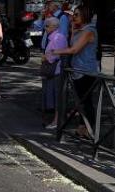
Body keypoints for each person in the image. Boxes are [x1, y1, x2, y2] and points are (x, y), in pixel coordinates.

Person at [48, 6, 98, 139]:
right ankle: (82, 127)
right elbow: (71, 43)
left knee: (86, 102)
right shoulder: (79, 30)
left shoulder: (89, 31)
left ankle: (89, 129)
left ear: (85, 16)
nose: (73, 17)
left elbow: (74, 49)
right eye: (73, 15)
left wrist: (55, 52)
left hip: (87, 71)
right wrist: (73, 28)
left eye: (76, 15)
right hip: (77, 70)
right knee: (80, 101)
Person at [41, 17, 66, 129]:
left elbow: (55, 55)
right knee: (52, 95)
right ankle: (55, 120)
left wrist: (45, 58)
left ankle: (57, 121)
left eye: (47, 25)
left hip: (57, 70)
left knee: (57, 96)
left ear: (54, 27)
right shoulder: (53, 37)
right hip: (52, 71)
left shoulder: (58, 37)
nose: (45, 27)